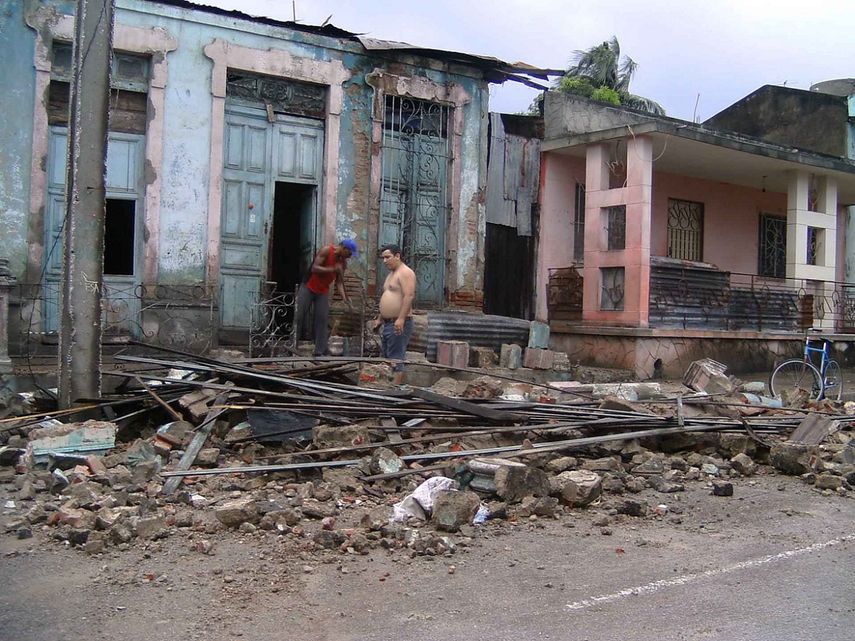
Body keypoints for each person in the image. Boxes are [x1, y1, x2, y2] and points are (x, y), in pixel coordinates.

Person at [297, 239, 356, 356]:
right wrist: (333, 269)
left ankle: (320, 351)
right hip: (308, 287)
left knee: (322, 319)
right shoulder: (326, 250)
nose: (349, 257)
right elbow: (315, 268)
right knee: (299, 316)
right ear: (344, 248)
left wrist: (345, 298)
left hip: (322, 291)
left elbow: (339, 282)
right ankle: (292, 344)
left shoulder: (343, 263)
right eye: (349, 254)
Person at [373, 244, 416, 385]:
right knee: (387, 358)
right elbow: (387, 295)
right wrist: (380, 318)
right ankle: (386, 387)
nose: (384, 261)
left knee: (396, 359)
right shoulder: (391, 274)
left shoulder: (406, 272)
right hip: (388, 323)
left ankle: (394, 390)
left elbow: (409, 296)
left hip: (398, 322)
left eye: (387, 257)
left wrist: (401, 319)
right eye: (383, 258)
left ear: (397, 256)